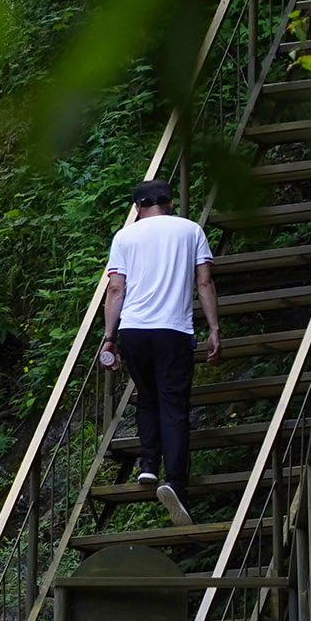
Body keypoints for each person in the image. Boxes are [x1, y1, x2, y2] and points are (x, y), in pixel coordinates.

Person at [99, 178, 220, 525]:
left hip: (134, 330)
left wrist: (110, 336)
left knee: (147, 397)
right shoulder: (190, 230)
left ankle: (149, 464)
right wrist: (214, 329)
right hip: (173, 331)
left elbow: (116, 288)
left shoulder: (125, 236)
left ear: (138, 209)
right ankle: (176, 483)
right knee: (173, 405)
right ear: (169, 202)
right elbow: (204, 282)